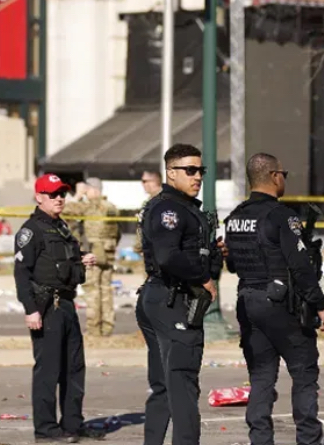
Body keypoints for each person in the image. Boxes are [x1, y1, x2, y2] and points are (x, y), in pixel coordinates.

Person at [224, 153, 324, 445]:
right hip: (281, 305)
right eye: (283, 173)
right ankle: (308, 441)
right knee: (304, 373)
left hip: (248, 301)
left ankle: (260, 441)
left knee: (261, 376)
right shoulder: (282, 216)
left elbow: (234, 265)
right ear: (274, 176)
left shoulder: (235, 217)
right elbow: (301, 268)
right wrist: (322, 307)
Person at [137, 144, 222, 445]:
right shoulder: (169, 209)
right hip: (170, 299)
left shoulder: (186, 208)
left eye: (201, 170)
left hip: (165, 297)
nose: (197, 176)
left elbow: (187, 253)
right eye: (190, 170)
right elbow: (167, 256)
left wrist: (212, 255)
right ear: (171, 173)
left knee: (167, 382)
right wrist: (204, 277)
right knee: (183, 381)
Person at [13, 174, 100, 444]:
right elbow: (21, 273)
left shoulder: (61, 227)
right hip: (46, 306)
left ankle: (73, 424)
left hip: (66, 304)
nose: (59, 198)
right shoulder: (31, 231)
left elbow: (65, 260)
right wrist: (31, 310)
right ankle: (46, 429)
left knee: (74, 368)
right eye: (53, 194)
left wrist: (82, 259)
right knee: (49, 370)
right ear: (39, 197)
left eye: (62, 193)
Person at [78, 178, 120, 337]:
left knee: (92, 290)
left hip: (93, 253)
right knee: (106, 290)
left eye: (87, 190)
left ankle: (94, 328)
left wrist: (78, 195)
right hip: (108, 252)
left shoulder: (91, 207)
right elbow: (118, 232)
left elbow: (68, 210)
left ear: (93, 190)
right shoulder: (111, 208)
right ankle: (107, 327)